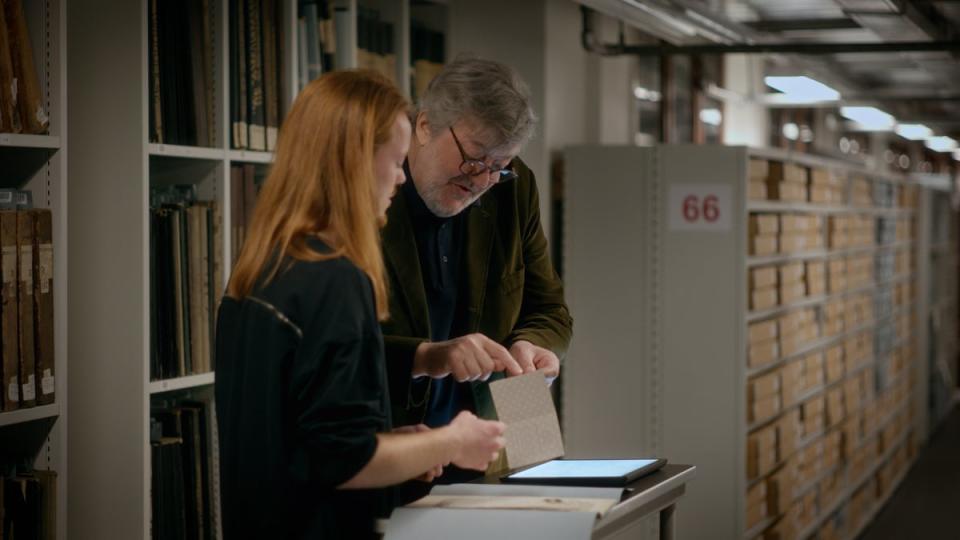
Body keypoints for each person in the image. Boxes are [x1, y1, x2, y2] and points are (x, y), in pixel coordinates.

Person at [214, 70, 506, 540]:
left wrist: (397, 447)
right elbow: (342, 460)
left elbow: (299, 441)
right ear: (352, 162)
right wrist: (451, 440)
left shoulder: (260, 268)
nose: (399, 178)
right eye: (393, 161)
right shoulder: (336, 280)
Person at [381, 57, 573, 454]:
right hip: (401, 437)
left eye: (499, 166)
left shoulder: (514, 188)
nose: (482, 180)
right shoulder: (373, 189)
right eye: (474, 156)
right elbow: (338, 349)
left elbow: (550, 310)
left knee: (547, 507)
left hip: (512, 419)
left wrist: (534, 344)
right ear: (425, 125)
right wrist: (431, 356)